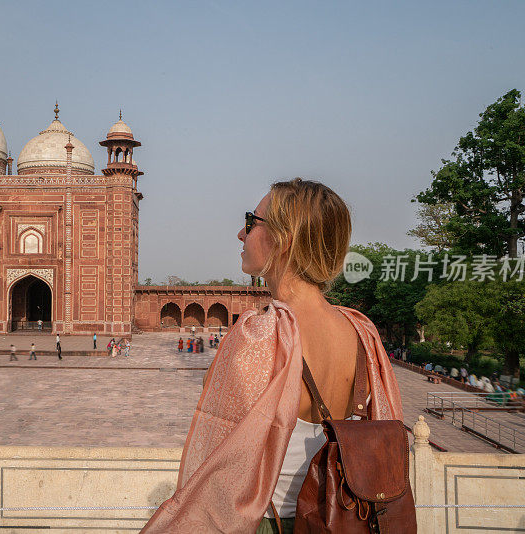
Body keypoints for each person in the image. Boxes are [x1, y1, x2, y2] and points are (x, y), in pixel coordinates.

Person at [141, 178, 403, 533]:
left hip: (272, 522)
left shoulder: (261, 333)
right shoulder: (361, 331)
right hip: (341, 518)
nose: (240, 234)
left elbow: (223, 453)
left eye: (251, 223)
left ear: (283, 240)